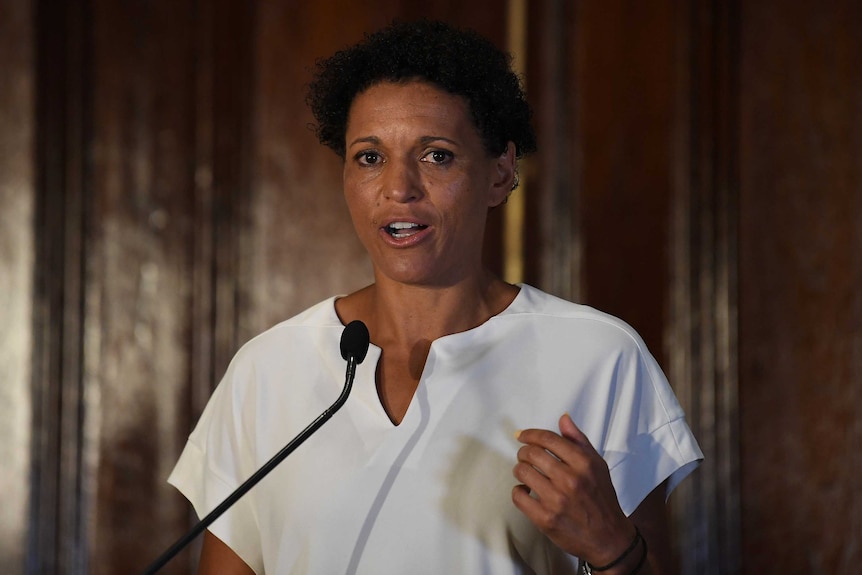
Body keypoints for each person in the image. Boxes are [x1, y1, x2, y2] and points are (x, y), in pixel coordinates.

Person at [168, 19, 703, 575]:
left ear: (500, 173)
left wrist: (614, 549)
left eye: (437, 155)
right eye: (369, 157)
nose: (399, 188)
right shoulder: (268, 369)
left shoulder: (599, 355)